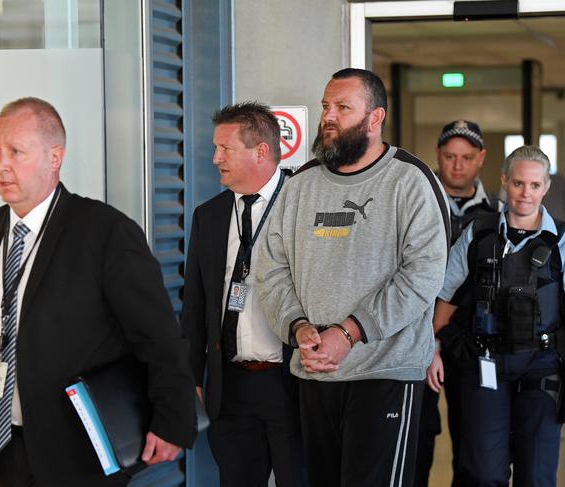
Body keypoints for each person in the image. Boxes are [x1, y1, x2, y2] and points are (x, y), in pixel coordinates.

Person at [0, 97, 196, 487]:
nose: (1, 164)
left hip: (79, 454)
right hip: (1, 448)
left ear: (54, 157)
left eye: (16, 152)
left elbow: (157, 336)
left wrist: (172, 421)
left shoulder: (105, 232)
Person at [255, 68, 450, 487]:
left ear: (375, 118)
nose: (329, 116)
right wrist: (299, 327)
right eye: (327, 105)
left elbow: (424, 274)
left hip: (385, 372)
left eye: (343, 107)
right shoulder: (300, 185)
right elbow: (270, 268)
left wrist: (348, 333)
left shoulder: (410, 181)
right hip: (315, 371)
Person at [181, 102, 306, 487]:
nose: (215, 158)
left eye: (225, 149)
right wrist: (192, 375)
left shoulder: (301, 206)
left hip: (291, 382)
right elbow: (196, 302)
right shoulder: (210, 214)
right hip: (230, 386)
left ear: (261, 152)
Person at [428, 145, 564, 486]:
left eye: (534, 185)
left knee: (536, 474)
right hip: (486, 363)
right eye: (518, 183)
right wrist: (433, 350)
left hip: (543, 367)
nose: (525, 193)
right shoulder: (479, 233)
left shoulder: (562, 241)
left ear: (546, 186)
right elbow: (446, 297)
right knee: (484, 473)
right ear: (504, 181)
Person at [415, 120, 497, 487]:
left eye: (466, 157)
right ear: (438, 156)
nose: (457, 165)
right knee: (418, 434)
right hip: (419, 334)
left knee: (473, 437)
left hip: (471, 339)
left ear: (481, 159)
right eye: (450, 156)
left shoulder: (499, 215)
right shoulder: (416, 202)